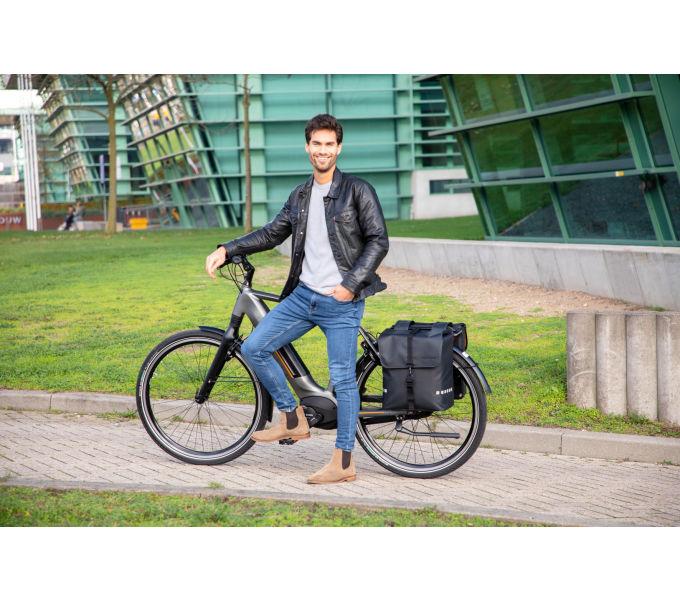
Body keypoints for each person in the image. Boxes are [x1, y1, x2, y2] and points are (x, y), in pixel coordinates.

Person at [205, 114, 389, 484]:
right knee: (254, 347)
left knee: (342, 379)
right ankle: (292, 417)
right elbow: (272, 233)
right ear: (307, 147)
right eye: (316, 144)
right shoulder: (301, 195)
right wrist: (228, 248)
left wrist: (351, 284)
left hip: (341, 301)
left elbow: (378, 240)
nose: (323, 150)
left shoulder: (357, 190)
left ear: (339, 148)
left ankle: (343, 463)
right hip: (304, 297)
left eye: (329, 144)